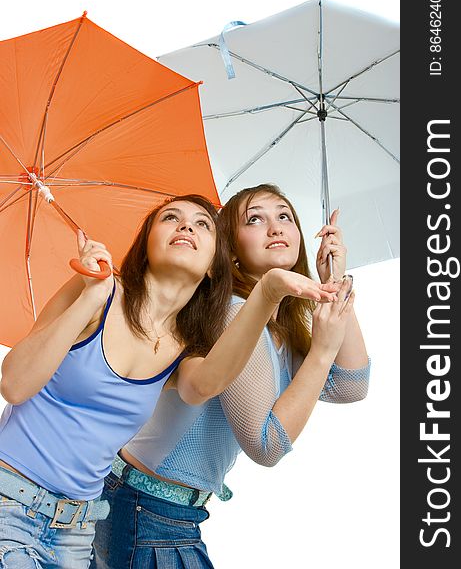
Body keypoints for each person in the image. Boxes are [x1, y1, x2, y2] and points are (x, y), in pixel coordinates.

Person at [0, 193, 337, 569]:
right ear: (146, 245)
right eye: (170, 218)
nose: (187, 226)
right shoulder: (97, 289)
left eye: (203, 224)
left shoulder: (183, 346)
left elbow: (205, 386)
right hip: (9, 503)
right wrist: (89, 299)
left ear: (213, 265)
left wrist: (267, 291)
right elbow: (15, 383)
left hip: (77, 531)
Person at [91, 184, 370, 569]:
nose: (275, 228)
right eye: (255, 219)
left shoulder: (280, 329)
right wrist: (323, 351)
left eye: (284, 216)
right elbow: (265, 445)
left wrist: (336, 285)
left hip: (156, 512)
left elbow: (351, 384)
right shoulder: (235, 314)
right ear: (230, 251)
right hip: (147, 512)